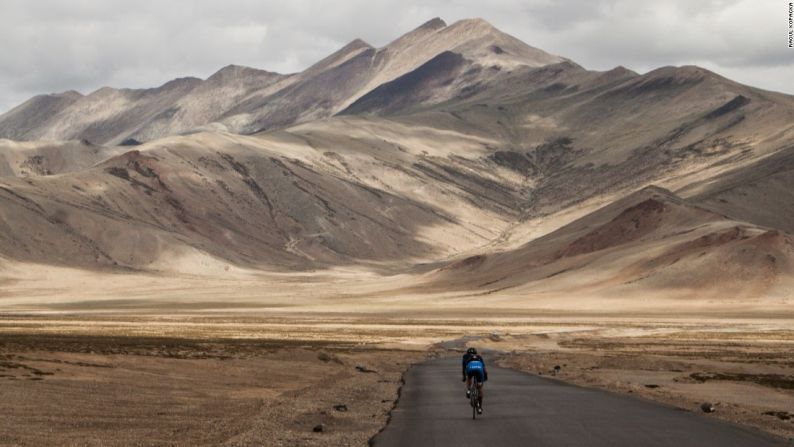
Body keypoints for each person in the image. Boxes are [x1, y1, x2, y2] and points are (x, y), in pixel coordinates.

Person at [462, 347, 487, 413]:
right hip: (479, 370)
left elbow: (464, 368)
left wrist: (464, 377)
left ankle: (468, 390)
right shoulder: (479, 357)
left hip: (470, 369)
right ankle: (479, 407)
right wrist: (484, 378)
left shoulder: (465, 356)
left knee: (469, 378)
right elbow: (484, 369)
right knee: (480, 388)